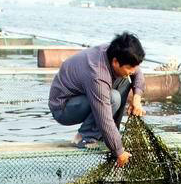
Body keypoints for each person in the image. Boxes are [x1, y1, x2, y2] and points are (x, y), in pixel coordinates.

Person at [48, 32, 147, 168]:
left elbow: (138, 73)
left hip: (83, 97)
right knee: (113, 97)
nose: (133, 70)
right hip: (64, 107)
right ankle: (84, 137)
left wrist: (136, 99)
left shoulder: (114, 51)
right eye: (129, 67)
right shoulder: (97, 74)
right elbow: (104, 117)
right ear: (115, 62)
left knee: (125, 81)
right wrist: (119, 151)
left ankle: (113, 134)